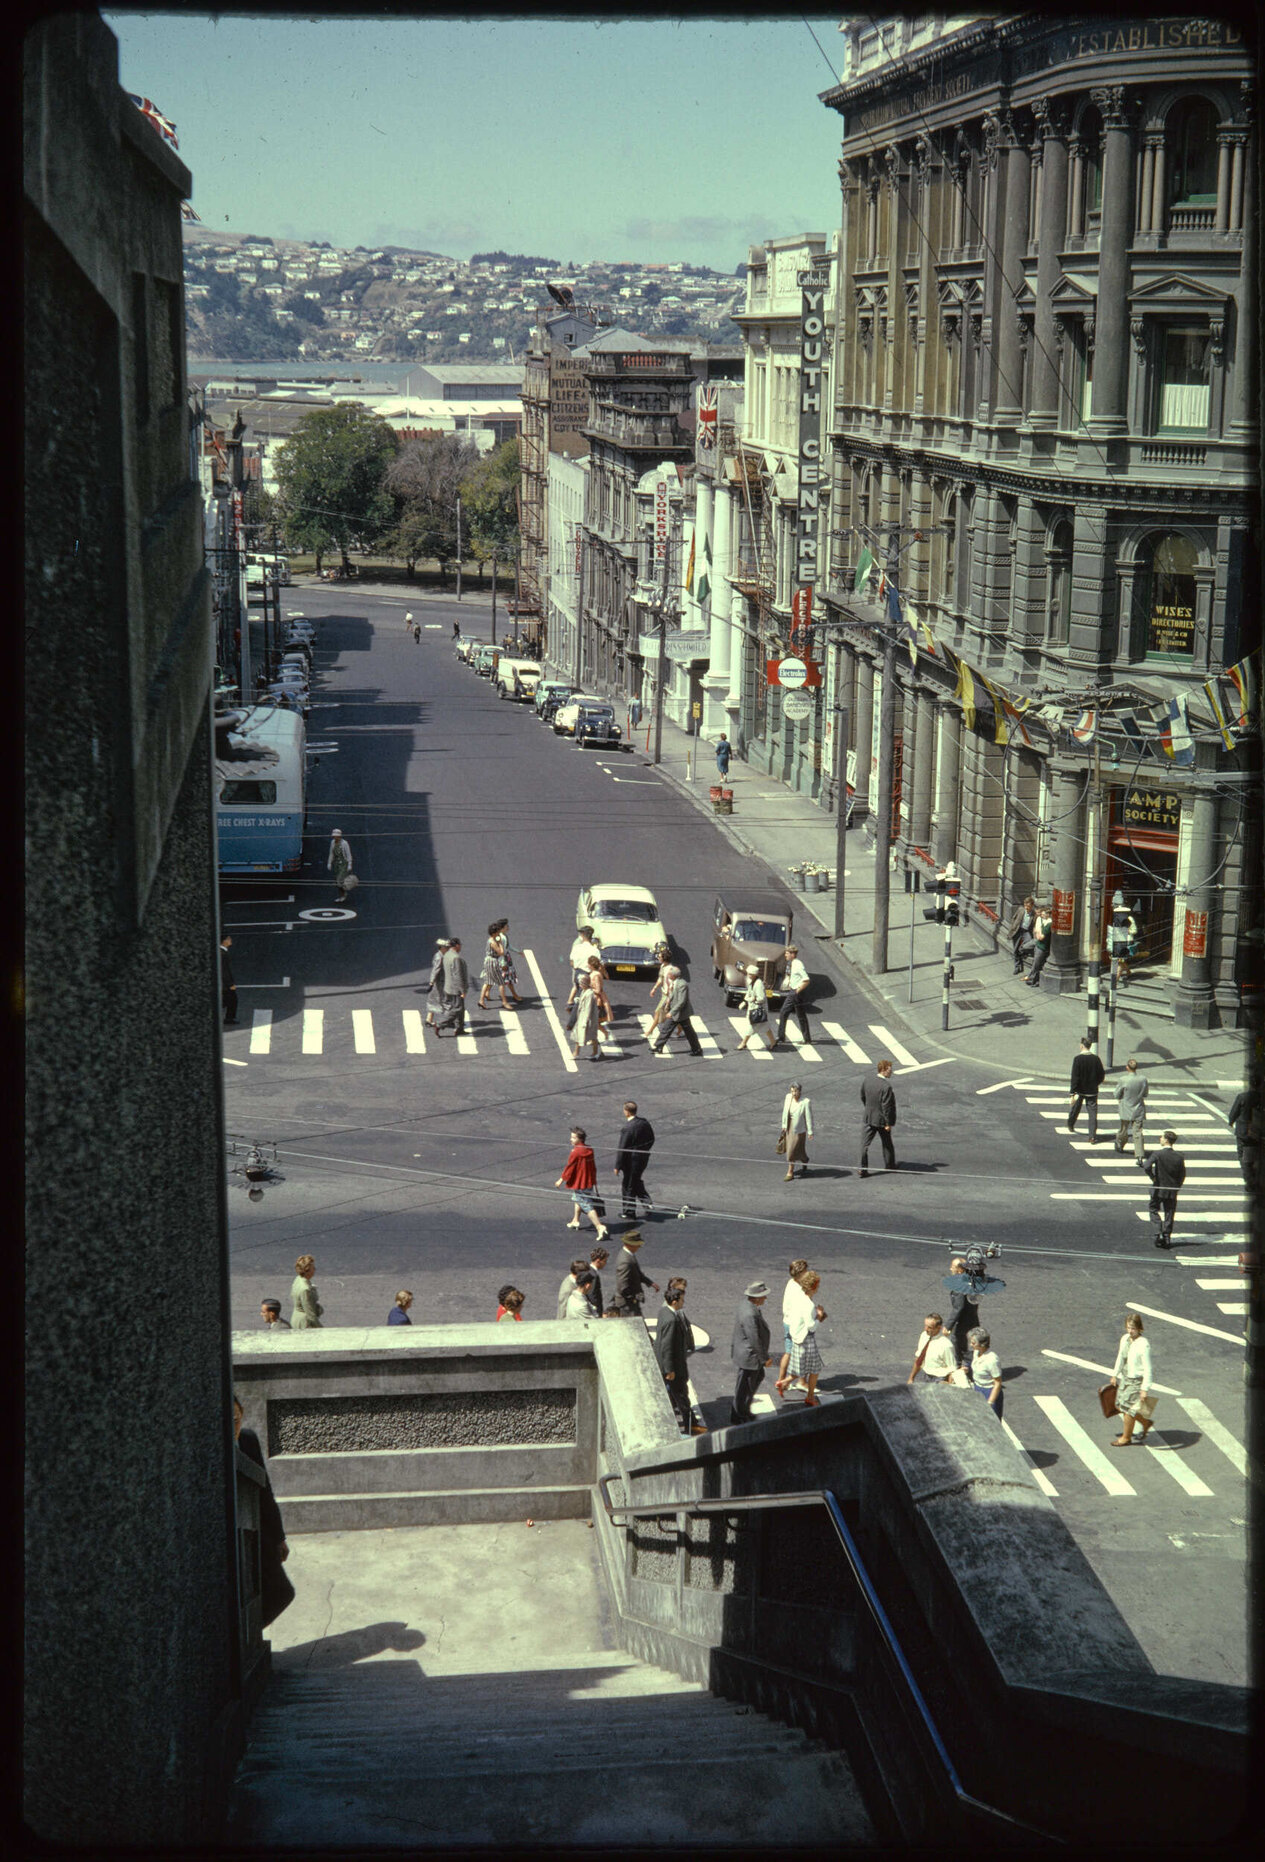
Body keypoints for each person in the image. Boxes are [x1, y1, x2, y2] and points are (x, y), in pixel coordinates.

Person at [233, 1396, 294, 1627]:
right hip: (234, 1536)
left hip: (258, 1532)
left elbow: (265, 1491)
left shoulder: (248, 1440)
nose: (233, 1428)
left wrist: (279, 1538)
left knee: (281, 1592)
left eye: (236, 1420)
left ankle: (247, 1636)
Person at [943, 1247, 1005, 1367]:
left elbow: (958, 1308)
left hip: (962, 1322)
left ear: (960, 1270)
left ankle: (960, 1366)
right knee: (972, 1344)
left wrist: (948, 1326)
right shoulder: (971, 1283)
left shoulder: (960, 1286)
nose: (950, 1269)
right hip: (972, 1320)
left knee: (958, 1344)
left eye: (953, 1267)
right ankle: (971, 1365)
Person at [731, 1281, 773, 1425]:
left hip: (747, 1354)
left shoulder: (746, 1305)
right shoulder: (750, 1314)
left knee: (753, 1380)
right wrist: (764, 1359)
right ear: (755, 1298)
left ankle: (743, 1410)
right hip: (750, 1356)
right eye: (763, 1296)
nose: (765, 1298)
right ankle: (738, 1415)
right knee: (744, 1388)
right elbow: (754, 1338)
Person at [556, 1125, 610, 1241]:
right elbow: (592, 1167)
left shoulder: (576, 1152)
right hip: (588, 1181)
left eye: (573, 1138)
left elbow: (569, 1168)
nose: (571, 1140)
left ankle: (599, 1226)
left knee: (586, 1204)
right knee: (578, 1199)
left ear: (580, 1139)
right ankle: (575, 1220)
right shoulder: (589, 1149)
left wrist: (561, 1179)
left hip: (580, 1182)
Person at [1108, 1313, 1154, 1445]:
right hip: (1125, 1377)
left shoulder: (1143, 1344)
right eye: (1128, 1327)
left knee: (1127, 1408)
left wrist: (1145, 1388)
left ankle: (1126, 1438)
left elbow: (1148, 1368)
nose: (1130, 1331)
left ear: (1139, 1328)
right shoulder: (1125, 1339)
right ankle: (1146, 1422)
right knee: (1121, 1406)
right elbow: (1120, 1357)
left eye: (1133, 1328)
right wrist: (1115, 1374)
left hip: (1136, 1380)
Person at [655, 1284, 692, 1432]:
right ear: (675, 1301)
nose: (684, 1302)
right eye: (682, 1300)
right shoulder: (672, 1320)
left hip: (662, 1362)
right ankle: (689, 1427)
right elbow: (668, 1346)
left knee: (672, 1394)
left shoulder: (664, 1311)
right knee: (682, 1397)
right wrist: (670, 1369)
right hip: (673, 1366)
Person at [785, 1268, 825, 1406]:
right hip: (806, 1339)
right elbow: (811, 1326)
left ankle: (784, 1382)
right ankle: (810, 1397)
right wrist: (819, 1316)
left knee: (800, 1367)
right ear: (813, 1287)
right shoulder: (809, 1304)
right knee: (815, 1369)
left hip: (797, 1336)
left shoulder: (798, 1297)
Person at [1144, 1130, 1186, 1249]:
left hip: (1158, 1188)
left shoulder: (1157, 1154)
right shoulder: (1179, 1156)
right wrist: (1177, 1187)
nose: (1160, 1138)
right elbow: (1182, 1175)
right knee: (1169, 1213)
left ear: (1166, 1140)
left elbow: (1147, 1166)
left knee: (1153, 1209)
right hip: (1172, 1189)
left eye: (1162, 1137)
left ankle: (1158, 1232)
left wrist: (1153, 1177)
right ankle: (1167, 1236)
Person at [614, 1101, 656, 1219]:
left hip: (631, 1162)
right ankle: (647, 1204)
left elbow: (622, 1148)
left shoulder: (627, 1128)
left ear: (626, 1112)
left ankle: (629, 1212)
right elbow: (651, 1139)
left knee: (628, 1185)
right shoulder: (644, 1123)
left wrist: (617, 1166)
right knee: (635, 1181)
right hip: (643, 1158)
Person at [650, 966, 704, 1056]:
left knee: (689, 1033)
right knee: (666, 1029)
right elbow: (673, 995)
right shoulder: (674, 982)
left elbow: (681, 1001)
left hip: (681, 1013)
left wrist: (672, 1012)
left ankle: (697, 1049)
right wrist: (667, 1003)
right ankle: (658, 1047)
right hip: (676, 1013)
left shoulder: (682, 984)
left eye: (669, 974)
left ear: (673, 975)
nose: (667, 975)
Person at [776, 1259, 811, 1394]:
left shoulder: (790, 1283)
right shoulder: (800, 1289)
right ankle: (801, 1382)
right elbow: (803, 1309)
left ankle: (781, 1380)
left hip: (787, 1322)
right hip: (797, 1325)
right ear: (801, 1272)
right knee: (804, 1354)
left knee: (789, 1352)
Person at [859, 1059, 898, 1176]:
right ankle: (890, 1165)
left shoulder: (867, 1080)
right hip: (881, 1121)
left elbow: (862, 1096)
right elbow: (887, 1107)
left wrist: (868, 1109)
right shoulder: (886, 1087)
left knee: (864, 1145)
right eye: (890, 1070)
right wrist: (888, 1123)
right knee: (887, 1143)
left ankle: (862, 1168)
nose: (891, 1072)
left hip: (868, 1117)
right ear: (884, 1070)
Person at [771, 946, 811, 1048]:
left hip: (796, 992)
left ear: (793, 954)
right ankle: (807, 1038)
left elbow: (806, 979)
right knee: (800, 1015)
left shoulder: (798, 965)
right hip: (794, 991)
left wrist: (797, 990)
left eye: (787, 953)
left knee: (783, 1012)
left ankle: (781, 1037)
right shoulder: (792, 963)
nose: (785, 955)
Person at [1067, 1036, 1106, 1143]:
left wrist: (1072, 1092)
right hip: (1092, 1091)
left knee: (1075, 1109)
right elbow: (1101, 1075)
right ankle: (1092, 1136)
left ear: (1082, 1046)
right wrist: (1095, 1083)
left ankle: (1071, 1124)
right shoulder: (1096, 1059)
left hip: (1080, 1090)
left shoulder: (1078, 1059)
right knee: (1093, 1114)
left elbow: (1075, 1077)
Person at [1113, 1057, 1149, 1162]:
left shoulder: (1123, 1079)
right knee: (1137, 1132)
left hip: (1126, 1108)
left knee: (1123, 1129)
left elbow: (1116, 1094)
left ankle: (1120, 1143)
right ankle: (1139, 1156)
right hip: (1138, 1108)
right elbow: (1145, 1093)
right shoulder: (1143, 1079)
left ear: (1127, 1067)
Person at [615, 1232, 658, 1316]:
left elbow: (636, 1272)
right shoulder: (625, 1261)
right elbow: (623, 1286)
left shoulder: (628, 1255)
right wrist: (634, 1297)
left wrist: (649, 1282)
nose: (639, 1246)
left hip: (630, 1303)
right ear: (629, 1245)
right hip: (627, 1304)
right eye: (637, 1244)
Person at [907, 1313, 958, 1384]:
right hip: (926, 1376)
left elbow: (952, 1369)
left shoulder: (946, 1345)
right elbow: (919, 1358)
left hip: (940, 1378)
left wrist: (949, 1387)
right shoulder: (924, 1336)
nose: (926, 1329)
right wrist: (911, 1378)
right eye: (925, 1326)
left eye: (930, 1327)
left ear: (939, 1327)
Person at [1227, 1083, 1260, 1190]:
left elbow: (1234, 1111)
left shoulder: (1242, 1096)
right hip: (1257, 1131)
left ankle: (1249, 1178)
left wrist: (1231, 1121)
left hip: (1243, 1132)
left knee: (1242, 1155)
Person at [966, 1328, 1004, 1418]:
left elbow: (997, 1383)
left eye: (973, 1343)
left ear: (982, 1344)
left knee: (991, 1422)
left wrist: (990, 1402)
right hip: (978, 1389)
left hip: (989, 1392)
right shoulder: (976, 1352)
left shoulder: (992, 1360)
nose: (970, 1345)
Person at [435, 938, 469, 1036]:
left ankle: (459, 1028)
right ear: (457, 945)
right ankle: (440, 1024)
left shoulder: (447, 955)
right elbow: (457, 976)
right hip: (455, 989)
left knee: (460, 1009)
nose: (461, 947)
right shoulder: (456, 958)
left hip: (448, 987)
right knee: (457, 1009)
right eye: (460, 945)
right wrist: (462, 990)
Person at [780, 1081, 813, 1181]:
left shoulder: (805, 1102)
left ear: (800, 1091)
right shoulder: (788, 1097)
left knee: (791, 1151)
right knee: (798, 1149)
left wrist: (810, 1131)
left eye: (795, 1091)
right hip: (789, 1128)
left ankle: (790, 1172)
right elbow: (785, 1111)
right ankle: (804, 1159)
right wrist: (784, 1125)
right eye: (792, 1091)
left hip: (799, 1130)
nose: (794, 1094)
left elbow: (808, 1118)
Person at [737, 964, 774, 1052]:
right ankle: (773, 1042)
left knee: (751, 1026)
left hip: (757, 1009)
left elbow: (761, 998)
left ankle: (743, 1043)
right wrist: (745, 1001)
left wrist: (751, 999)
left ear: (754, 975)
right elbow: (749, 992)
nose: (748, 975)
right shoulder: (753, 982)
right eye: (748, 973)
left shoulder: (758, 984)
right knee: (765, 1026)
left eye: (750, 974)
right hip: (754, 1008)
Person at [570, 974, 603, 1062]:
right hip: (583, 1017)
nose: (579, 985)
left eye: (580, 983)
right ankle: (581, 1052)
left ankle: (578, 1053)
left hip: (587, 1019)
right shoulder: (584, 991)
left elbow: (588, 1008)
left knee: (589, 1036)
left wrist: (584, 1021)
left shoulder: (589, 994)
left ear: (584, 984)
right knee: (586, 1035)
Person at [1107, 890, 1137, 985]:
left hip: (1125, 942)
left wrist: (1126, 930)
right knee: (1119, 959)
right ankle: (1128, 971)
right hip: (1116, 941)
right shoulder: (1115, 918)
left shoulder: (1129, 919)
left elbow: (1134, 930)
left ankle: (1114, 982)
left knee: (1119, 961)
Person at [477, 922, 509, 1010]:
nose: (499, 933)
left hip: (488, 962)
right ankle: (504, 1002)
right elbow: (501, 952)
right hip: (493, 962)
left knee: (487, 981)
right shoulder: (493, 942)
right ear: (494, 933)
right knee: (501, 982)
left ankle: (481, 1000)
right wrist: (500, 943)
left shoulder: (490, 940)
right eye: (498, 931)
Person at [647, 942, 674, 1032]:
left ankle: (649, 1031)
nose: (658, 957)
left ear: (664, 958)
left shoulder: (669, 970)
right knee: (670, 1014)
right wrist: (654, 988)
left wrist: (668, 999)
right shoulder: (663, 966)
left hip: (667, 995)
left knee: (657, 1012)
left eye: (659, 957)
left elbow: (671, 985)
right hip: (664, 994)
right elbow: (660, 979)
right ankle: (679, 1029)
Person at [425, 936, 451, 1028]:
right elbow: (436, 970)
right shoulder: (439, 957)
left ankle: (429, 1019)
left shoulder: (441, 955)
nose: (448, 949)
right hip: (440, 983)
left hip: (439, 982)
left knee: (433, 1000)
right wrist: (431, 982)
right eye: (446, 947)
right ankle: (450, 1020)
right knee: (446, 1001)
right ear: (442, 948)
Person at [291, 1254, 323, 1329]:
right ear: (307, 1270)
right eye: (313, 1268)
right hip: (304, 1323)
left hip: (296, 1318)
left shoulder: (298, 1279)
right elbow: (310, 1313)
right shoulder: (305, 1289)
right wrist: (320, 1328)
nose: (315, 1269)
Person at [1007, 895, 1036, 976]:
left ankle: (1022, 953)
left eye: (1028, 906)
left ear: (1032, 906)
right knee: (1015, 950)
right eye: (1025, 905)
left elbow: (1034, 925)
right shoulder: (1020, 910)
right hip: (1018, 931)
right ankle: (1017, 967)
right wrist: (1012, 927)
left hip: (1026, 932)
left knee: (1028, 943)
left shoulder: (1034, 914)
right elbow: (1014, 918)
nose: (1026, 908)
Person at [1025, 907, 1052, 988]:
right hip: (1039, 945)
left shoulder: (1049, 924)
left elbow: (1040, 937)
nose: (1041, 915)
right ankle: (1032, 979)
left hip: (1042, 947)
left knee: (1036, 964)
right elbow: (1036, 932)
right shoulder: (1041, 920)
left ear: (1048, 914)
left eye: (1044, 914)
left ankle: (1032, 980)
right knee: (1036, 963)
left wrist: (1038, 931)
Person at [586, 954, 614, 1029]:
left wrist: (588, 988)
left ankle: (603, 1035)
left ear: (591, 965)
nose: (587, 965)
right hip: (595, 998)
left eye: (588, 963)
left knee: (594, 1021)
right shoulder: (594, 973)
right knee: (593, 1022)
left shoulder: (596, 975)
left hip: (597, 1000)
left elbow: (598, 990)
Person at [327, 828, 353, 902]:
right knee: (337, 881)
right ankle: (342, 894)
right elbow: (331, 853)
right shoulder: (333, 843)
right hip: (336, 864)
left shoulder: (344, 843)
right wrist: (329, 862)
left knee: (340, 880)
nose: (334, 837)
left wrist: (349, 864)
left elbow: (348, 854)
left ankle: (343, 894)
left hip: (343, 864)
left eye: (336, 836)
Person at [220, 934, 238, 1026]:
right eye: (228, 939)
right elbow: (224, 971)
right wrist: (230, 984)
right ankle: (229, 1018)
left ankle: (229, 1018)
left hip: (223, 984)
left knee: (228, 1000)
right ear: (224, 941)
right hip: (224, 984)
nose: (230, 940)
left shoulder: (222, 952)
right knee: (231, 999)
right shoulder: (222, 954)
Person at [586, 1245, 609, 1316]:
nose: (605, 1263)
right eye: (604, 1261)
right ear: (598, 1261)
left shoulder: (588, 1269)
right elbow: (592, 1294)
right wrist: (598, 1311)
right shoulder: (594, 1275)